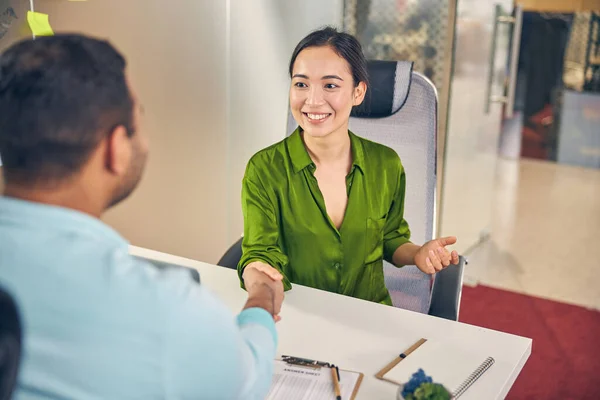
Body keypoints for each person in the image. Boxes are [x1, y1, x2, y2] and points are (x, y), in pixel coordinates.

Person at [0, 34, 283, 399]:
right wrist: (260, 300)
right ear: (116, 150)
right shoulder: (166, 313)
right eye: (140, 119)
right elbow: (248, 380)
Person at [239, 27, 459, 306]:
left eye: (330, 85)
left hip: (371, 316)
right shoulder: (265, 168)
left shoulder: (386, 164)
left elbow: (391, 238)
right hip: (300, 313)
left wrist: (417, 253)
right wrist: (260, 291)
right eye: (301, 84)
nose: (313, 100)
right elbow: (260, 254)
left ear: (358, 92)